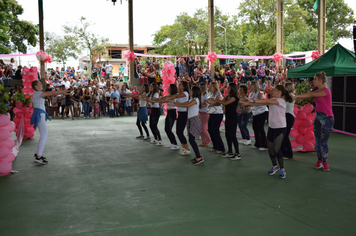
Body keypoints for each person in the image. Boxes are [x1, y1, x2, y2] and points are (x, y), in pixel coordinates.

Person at [241, 85, 293, 179]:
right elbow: (261, 103)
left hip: (280, 127)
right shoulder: (273, 99)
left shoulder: (280, 100)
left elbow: (265, 101)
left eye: (275, 90)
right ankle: (275, 166)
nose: (273, 91)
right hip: (272, 127)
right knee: (270, 148)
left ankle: (282, 169)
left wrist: (251, 101)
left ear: (279, 92)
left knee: (277, 149)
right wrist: (248, 103)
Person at [295, 71, 334, 171]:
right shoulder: (316, 91)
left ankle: (325, 162)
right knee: (317, 142)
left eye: (315, 79)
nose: (313, 81)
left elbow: (309, 95)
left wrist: (297, 96)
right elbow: (309, 95)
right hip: (318, 117)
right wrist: (297, 97)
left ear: (320, 81)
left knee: (323, 142)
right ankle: (319, 161)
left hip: (327, 119)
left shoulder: (325, 91)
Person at [30, 80, 71, 164]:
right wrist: (63, 91)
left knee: (43, 135)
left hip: (39, 113)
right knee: (44, 135)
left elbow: (51, 94)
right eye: (40, 84)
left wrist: (62, 92)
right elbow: (52, 93)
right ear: (36, 86)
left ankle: (38, 154)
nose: (41, 85)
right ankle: (39, 156)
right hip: (39, 114)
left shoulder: (36, 93)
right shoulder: (38, 93)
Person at [171, 86, 204, 165]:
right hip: (191, 120)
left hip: (194, 120)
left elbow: (186, 105)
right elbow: (184, 104)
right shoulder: (191, 99)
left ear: (195, 92)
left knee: (191, 139)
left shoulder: (195, 100)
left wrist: (175, 104)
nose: (190, 92)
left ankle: (199, 157)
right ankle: (198, 156)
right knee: (191, 139)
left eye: (191, 91)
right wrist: (175, 103)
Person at [214, 83, 241, 160]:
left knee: (233, 135)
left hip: (233, 117)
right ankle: (230, 152)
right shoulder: (228, 96)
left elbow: (225, 103)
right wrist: (212, 102)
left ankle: (238, 153)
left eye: (229, 88)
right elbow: (220, 102)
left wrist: (215, 99)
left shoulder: (234, 97)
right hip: (228, 117)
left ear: (232, 88)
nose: (227, 89)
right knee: (227, 135)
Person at [163, 81, 191, 155]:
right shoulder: (178, 93)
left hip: (184, 114)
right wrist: (165, 98)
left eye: (180, 84)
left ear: (184, 86)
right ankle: (184, 147)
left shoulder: (185, 93)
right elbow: (173, 96)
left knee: (180, 132)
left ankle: (187, 148)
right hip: (180, 114)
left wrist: (167, 98)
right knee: (178, 132)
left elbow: (174, 96)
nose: (179, 85)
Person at [248, 81, 268, 150]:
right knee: (255, 127)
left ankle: (264, 145)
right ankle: (258, 143)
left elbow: (261, 102)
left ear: (255, 86)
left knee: (260, 128)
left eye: (252, 85)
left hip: (262, 112)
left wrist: (252, 104)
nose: (250, 86)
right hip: (255, 112)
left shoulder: (259, 93)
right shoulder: (251, 93)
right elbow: (249, 101)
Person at [206, 82, 225, 154]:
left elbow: (219, 102)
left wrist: (212, 103)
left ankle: (221, 148)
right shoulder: (210, 94)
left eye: (211, 86)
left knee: (215, 131)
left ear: (214, 87)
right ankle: (215, 146)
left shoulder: (218, 93)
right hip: (212, 113)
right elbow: (209, 101)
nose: (209, 87)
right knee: (210, 130)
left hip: (218, 114)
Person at [160, 84, 179, 150]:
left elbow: (166, 100)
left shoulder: (175, 96)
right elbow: (163, 99)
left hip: (172, 112)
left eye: (169, 88)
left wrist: (164, 99)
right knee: (166, 129)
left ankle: (176, 144)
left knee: (169, 129)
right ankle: (172, 143)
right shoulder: (168, 95)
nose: (168, 89)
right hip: (168, 112)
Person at [281, 82, 295, 159]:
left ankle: (289, 154)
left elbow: (290, 100)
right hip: (285, 116)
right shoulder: (284, 96)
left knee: (285, 135)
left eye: (285, 87)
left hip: (289, 116)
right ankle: (283, 152)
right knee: (283, 135)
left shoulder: (292, 96)